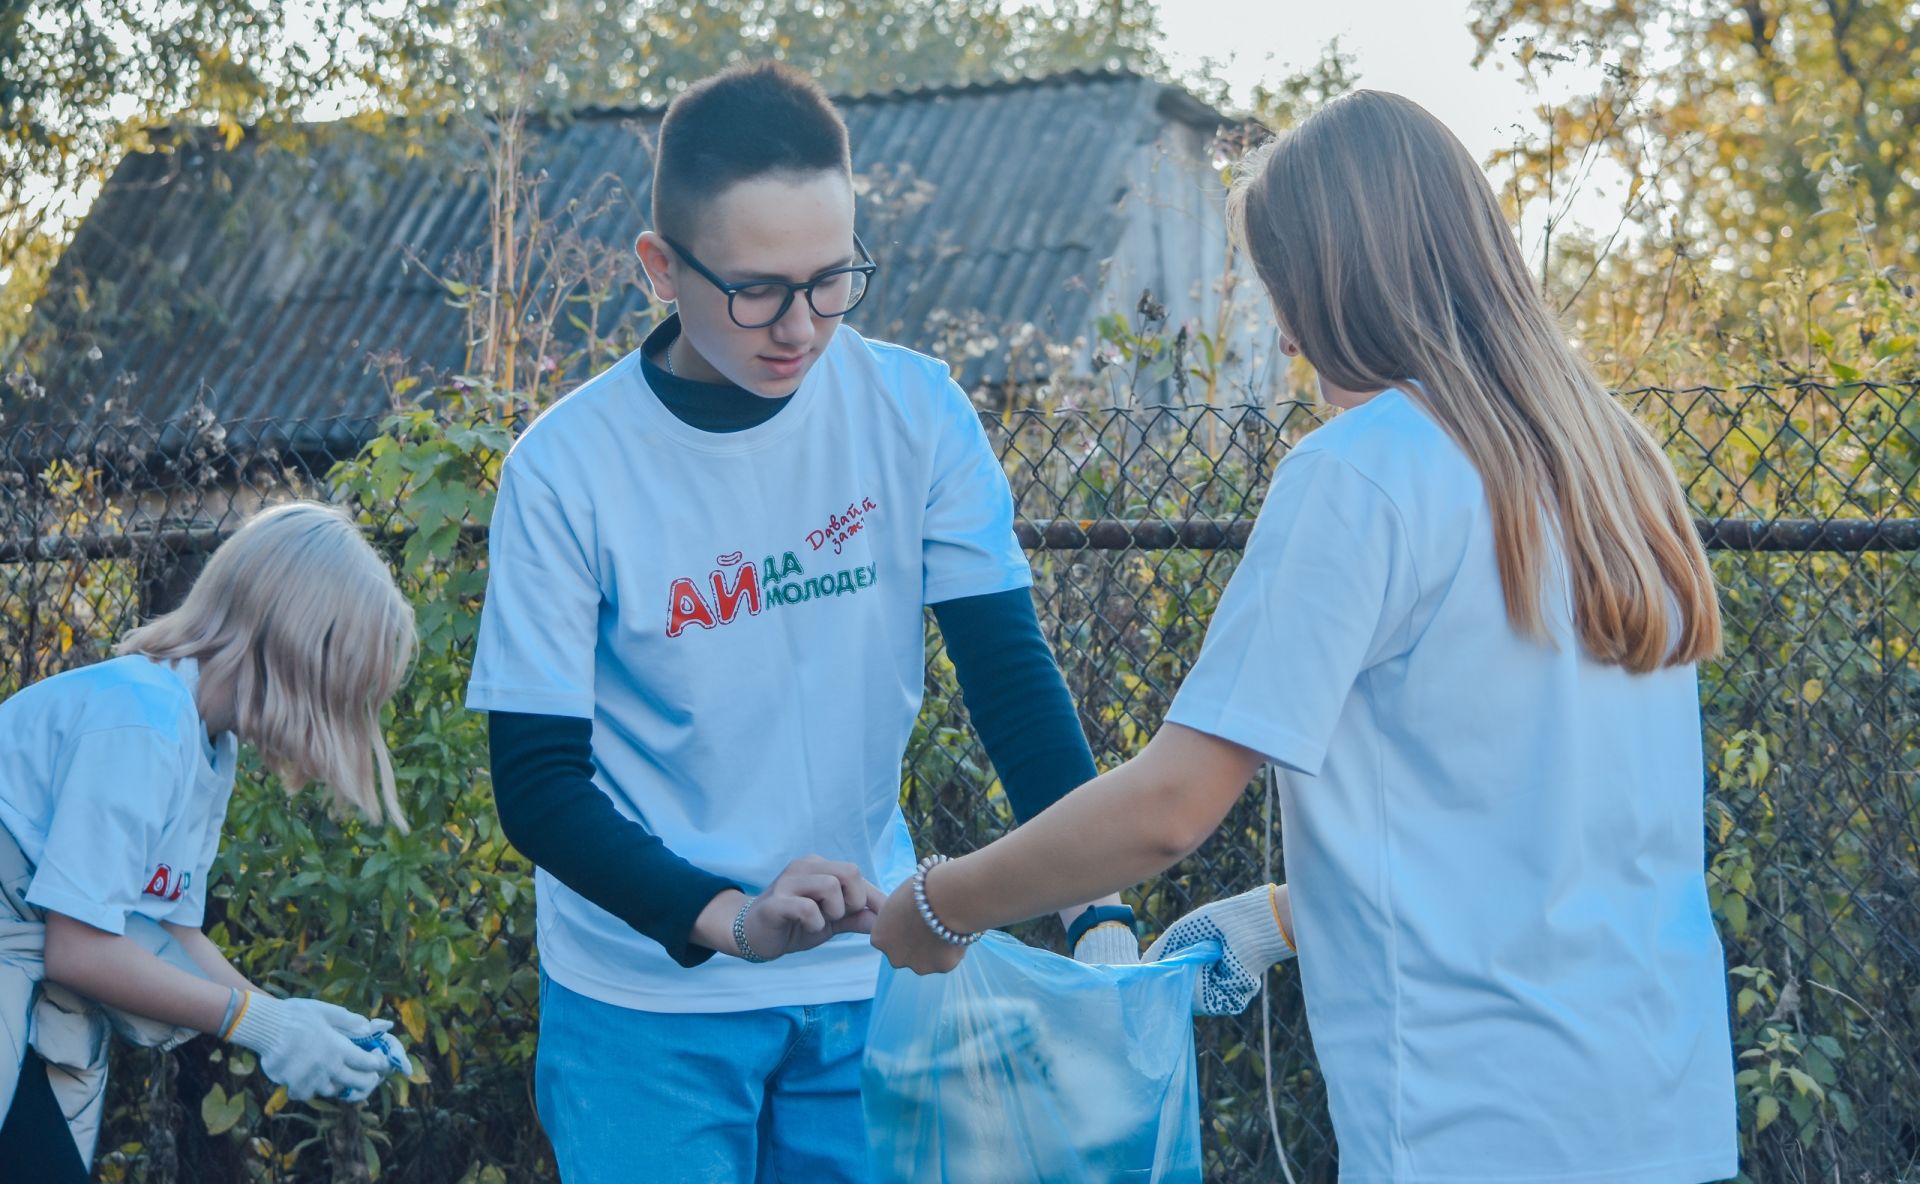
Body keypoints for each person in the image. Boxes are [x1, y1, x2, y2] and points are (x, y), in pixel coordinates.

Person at [873, 89, 1740, 1184]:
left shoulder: (1361, 471)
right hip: (1663, 1105)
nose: (1281, 331)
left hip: (1476, 1124)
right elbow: (1559, 810)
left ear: (1342, 277)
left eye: (1283, 286)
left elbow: (1171, 805)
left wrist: (938, 905)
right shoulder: (1614, 459)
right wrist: (1284, 911)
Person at [466, 60, 1134, 1184]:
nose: (803, 326)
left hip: (873, 976)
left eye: (833, 280)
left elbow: (1010, 683)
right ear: (660, 269)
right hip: (645, 1005)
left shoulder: (915, 413)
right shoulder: (565, 470)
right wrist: (728, 916)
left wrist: (1099, 913)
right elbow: (536, 782)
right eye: (760, 289)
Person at [0, 502, 417, 1182]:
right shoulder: (144, 716)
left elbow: (166, 929)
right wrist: (260, 1024)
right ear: (297, 650)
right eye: (344, 690)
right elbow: (78, 949)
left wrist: (283, 1018)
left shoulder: (206, 741)